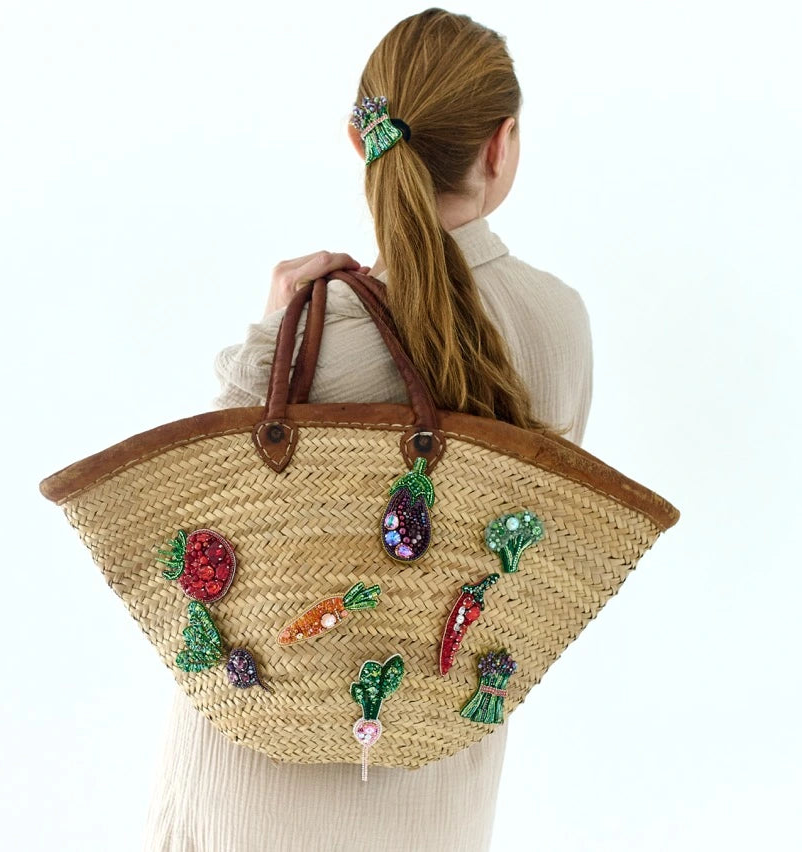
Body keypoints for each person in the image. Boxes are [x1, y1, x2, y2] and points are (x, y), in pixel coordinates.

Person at [143, 9, 592, 851]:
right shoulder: (559, 327)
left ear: (361, 142)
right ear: (500, 147)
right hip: (433, 790)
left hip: (252, 780)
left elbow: (202, 528)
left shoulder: (320, 329)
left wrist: (270, 341)